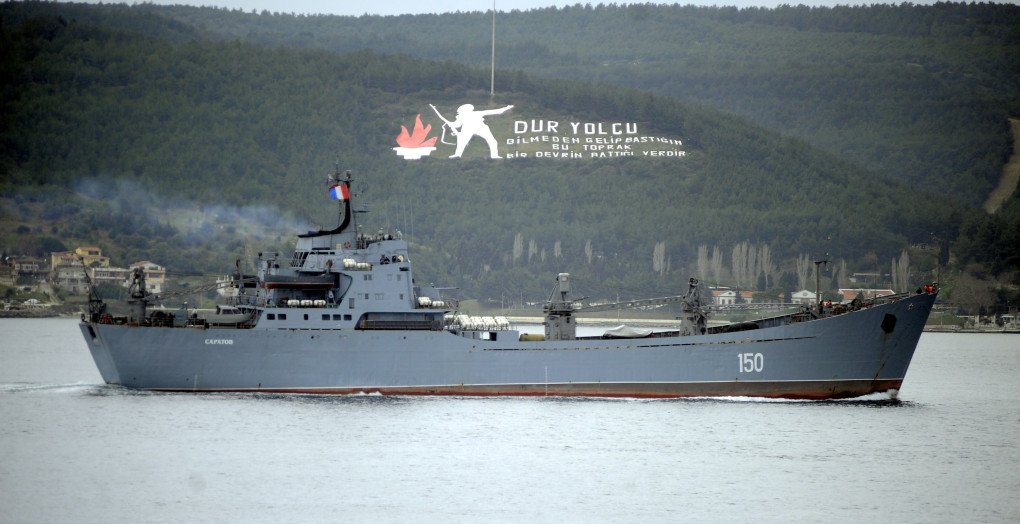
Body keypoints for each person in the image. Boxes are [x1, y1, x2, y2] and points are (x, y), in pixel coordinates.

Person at [446, 104, 514, 158]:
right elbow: (457, 125)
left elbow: (495, 111)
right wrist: (451, 124)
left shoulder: (477, 113)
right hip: (468, 129)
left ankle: (494, 155)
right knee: (461, 143)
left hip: (481, 128)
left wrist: (506, 108)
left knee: (492, 141)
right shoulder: (462, 116)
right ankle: (457, 155)